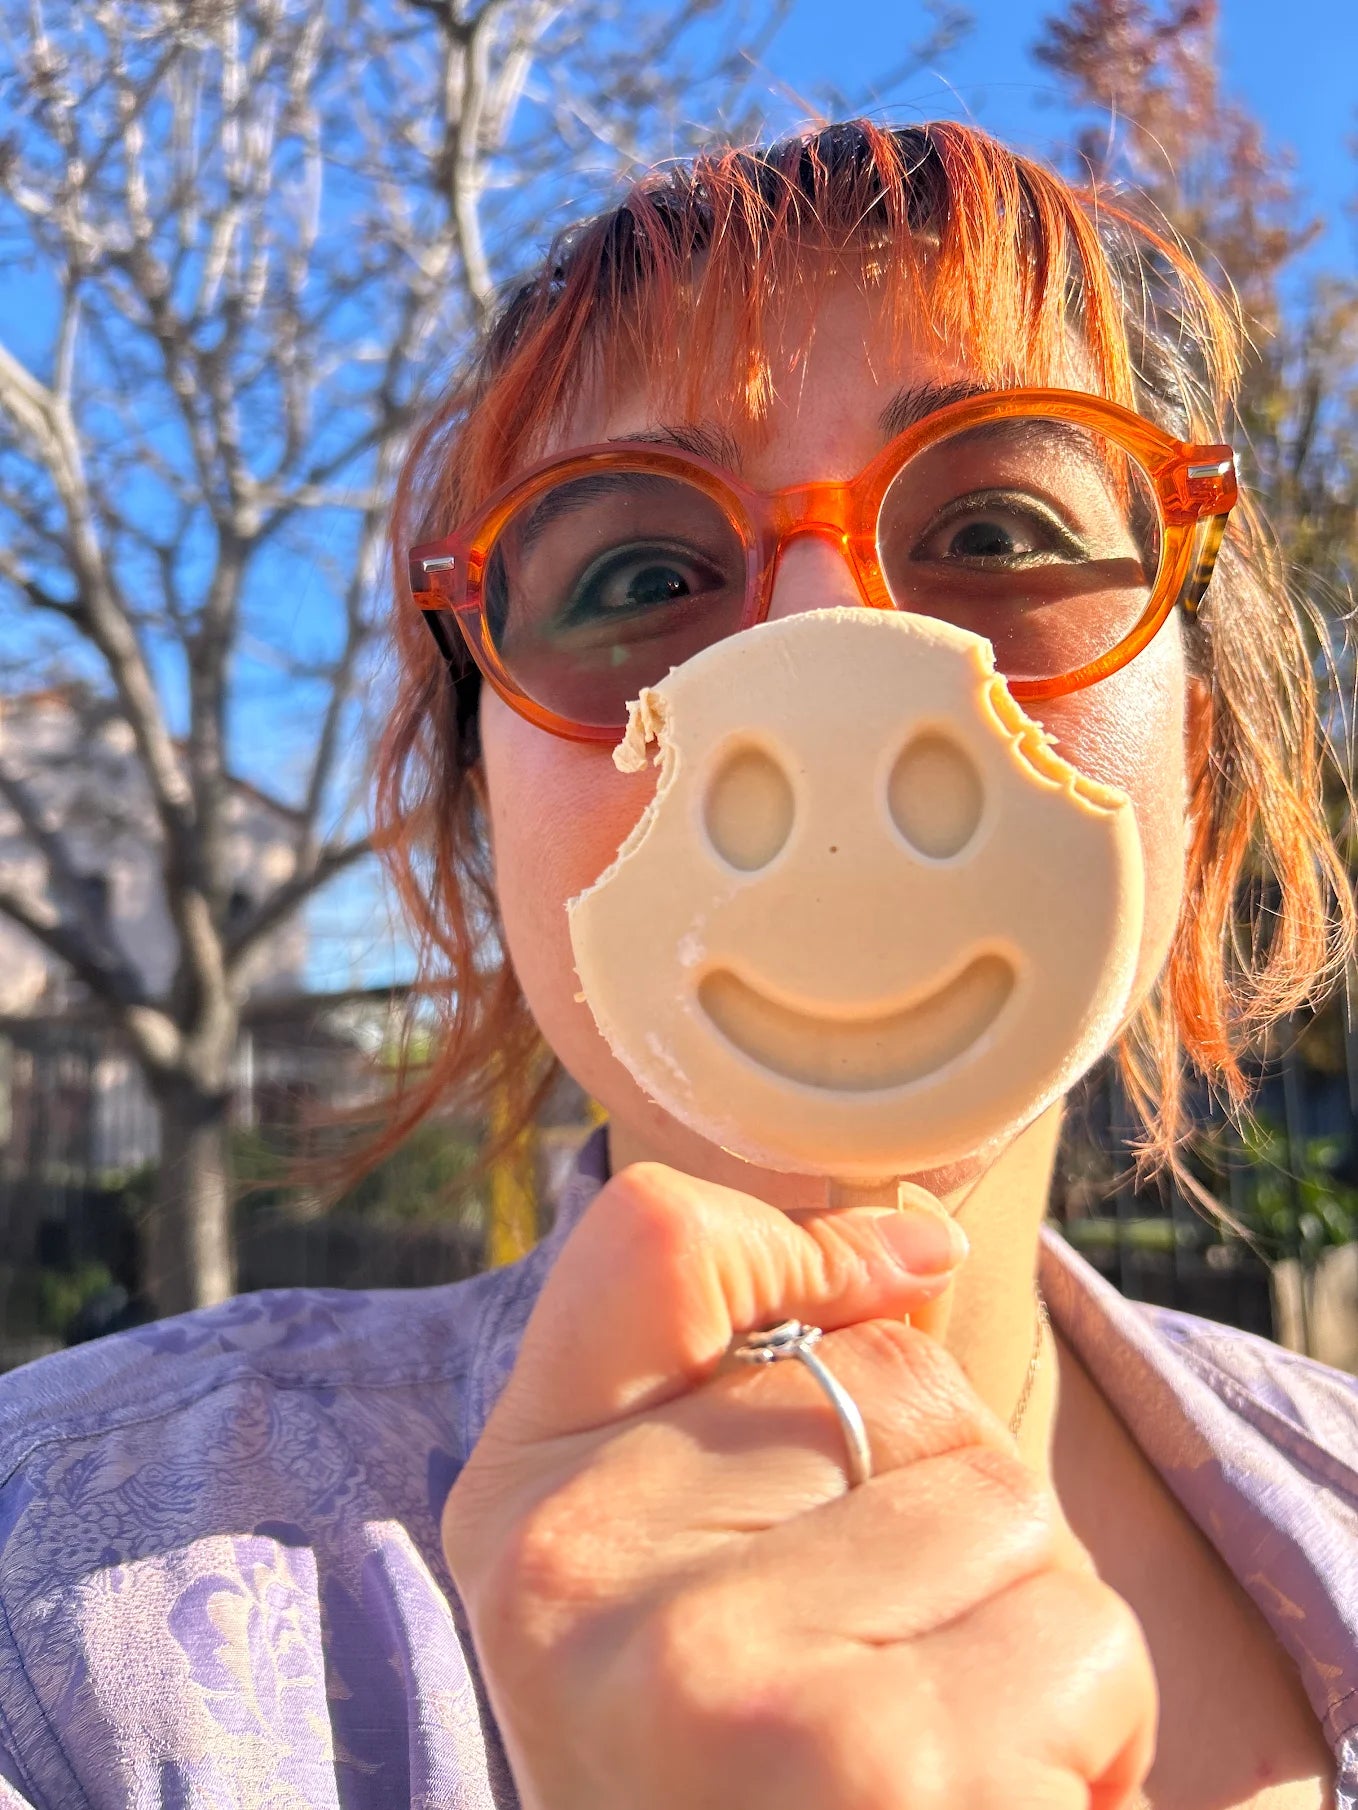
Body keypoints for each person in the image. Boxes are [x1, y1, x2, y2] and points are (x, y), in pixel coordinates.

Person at [0, 120, 1355, 1810]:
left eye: (999, 530)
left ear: (1200, 750)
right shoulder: (52, 1614)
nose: (814, 662)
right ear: (488, 812)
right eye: (638, 573)